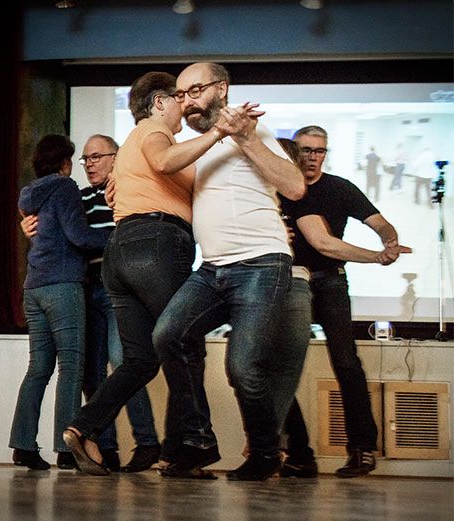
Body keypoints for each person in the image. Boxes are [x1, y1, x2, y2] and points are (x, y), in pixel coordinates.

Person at [61, 72, 231, 478]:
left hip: (121, 252)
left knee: (141, 360)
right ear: (158, 103)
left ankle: (83, 427)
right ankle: (190, 447)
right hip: (157, 245)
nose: (184, 106)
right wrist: (218, 132)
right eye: (178, 98)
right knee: (184, 341)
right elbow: (162, 161)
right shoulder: (155, 132)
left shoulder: (131, 148)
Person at [150, 62, 307, 481]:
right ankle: (198, 440)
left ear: (221, 88)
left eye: (196, 90)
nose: (188, 102)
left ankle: (265, 453)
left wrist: (246, 137)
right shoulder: (200, 145)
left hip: (262, 264)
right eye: (181, 95)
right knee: (168, 335)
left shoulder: (251, 130)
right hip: (213, 269)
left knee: (243, 368)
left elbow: (294, 187)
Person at [22, 134, 161, 473]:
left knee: (124, 360)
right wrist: (28, 227)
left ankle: (146, 443)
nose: (89, 164)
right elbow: (62, 232)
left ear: (116, 157)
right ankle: (105, 447)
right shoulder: (77, 195)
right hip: (86, 287)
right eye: (85, 159)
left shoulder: (132, 193)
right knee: (90, 372)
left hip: (120, 289)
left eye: (97, 156)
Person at [279, 125, 411, 478]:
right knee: (278, 368)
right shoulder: (279, 187)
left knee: (346, 362)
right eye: (305, 150)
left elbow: (380, 223)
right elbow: (318, 241)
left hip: (330, 281)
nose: (312, 157)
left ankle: (362, 449)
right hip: (288, 283)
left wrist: (389, 242)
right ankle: (297, 453)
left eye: (319, 150)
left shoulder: (339, 188)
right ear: (294, 152)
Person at [8, 134, 112, 471]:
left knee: (38, 369)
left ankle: (23, 445)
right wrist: (118, 235)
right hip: (63, 287)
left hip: (34, 288)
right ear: (65, 163)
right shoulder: (65, 187)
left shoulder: (31, 194)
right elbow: (78, 235)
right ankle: (66, 449)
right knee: (71, 368)